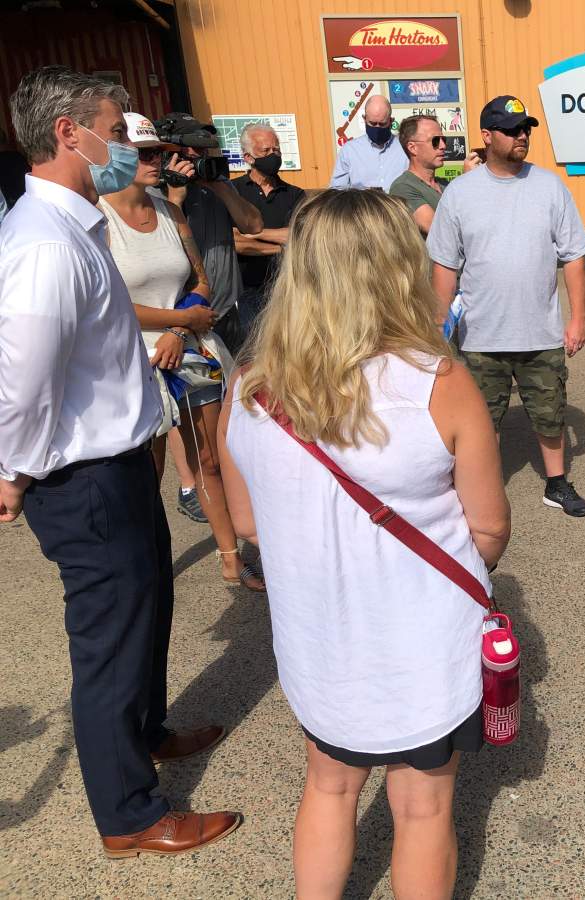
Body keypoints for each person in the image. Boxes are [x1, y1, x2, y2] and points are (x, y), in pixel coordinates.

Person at [220, 189, 510, 898]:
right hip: (424, 647)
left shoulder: (251, 389)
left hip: (318, 644)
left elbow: (251, 525)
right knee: (422, 807)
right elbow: (490, 529)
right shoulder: (437, 383)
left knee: (327, 785)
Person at [0, 65, 239, 858]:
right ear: (69, 131)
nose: (126, 138)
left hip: (121, 458)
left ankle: (147, 732)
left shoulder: (77, 224)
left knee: (147, 614)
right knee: (109, 641)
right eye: (114, 122)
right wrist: (12, 471)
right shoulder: (41, 242)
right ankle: (131, 816)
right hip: (83, 478)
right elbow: (22, 375)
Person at [98, 113, 264, 592]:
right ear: (115, 152)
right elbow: (105, 302)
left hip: (189, 349)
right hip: (134, 359)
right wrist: (176, 322)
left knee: (209, 459)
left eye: (158, 152)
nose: (157, 160)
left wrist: (183, 324)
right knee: (142, 472)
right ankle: (143, 566)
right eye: (145, 152)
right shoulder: (97, 219)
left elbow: (200, 277)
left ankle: (232, 559)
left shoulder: (170, 210)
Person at [427, 95, 585, 517]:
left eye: (526, 129)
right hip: (482, 335)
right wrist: (436, 322)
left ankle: (556, 484)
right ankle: (481, 493)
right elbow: (445, 264)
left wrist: (578, 318)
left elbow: (573, 255)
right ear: (486, 136)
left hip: (541, 332)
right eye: (512, 129)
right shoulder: (460, 194)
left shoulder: (550, 186)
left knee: (550, 411)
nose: (522, 136)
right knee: (481, 422)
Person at [156, 113, 264, 521]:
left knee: (236, 402)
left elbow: (252, 225)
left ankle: (231, 476)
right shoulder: (159, 196)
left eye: (205, 152)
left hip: (230, 310)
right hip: (186, 320)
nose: (198, 159)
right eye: (190, 152)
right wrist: (175, 193)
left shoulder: (215, 189)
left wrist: (217, 182)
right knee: (189, 412)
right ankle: (190, 483)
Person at [232, 122, 303, 333]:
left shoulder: (294, 194)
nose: (273, 155)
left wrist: (252, 233)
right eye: (265, 151)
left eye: (276, 150)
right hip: (247, 292)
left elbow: (297, 235)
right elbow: (234, 242)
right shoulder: (233, 192)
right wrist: (281, 246)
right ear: (248, 157)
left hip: (287, 290)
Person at [328, 94, 409, 191]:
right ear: (364, 119)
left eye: (382, 124)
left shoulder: (405, 148)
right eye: (373, 123)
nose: (377, 127)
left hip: (397, 204)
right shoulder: (349, 150)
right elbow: (337, 189)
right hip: (363, 205)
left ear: (391, 121)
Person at [389, 114, 447, 235]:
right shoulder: (402, 187)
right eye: (435, 141)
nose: (443, 146)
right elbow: (439, 233)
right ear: (412, 147)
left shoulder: (445, 184)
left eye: (444, 139)